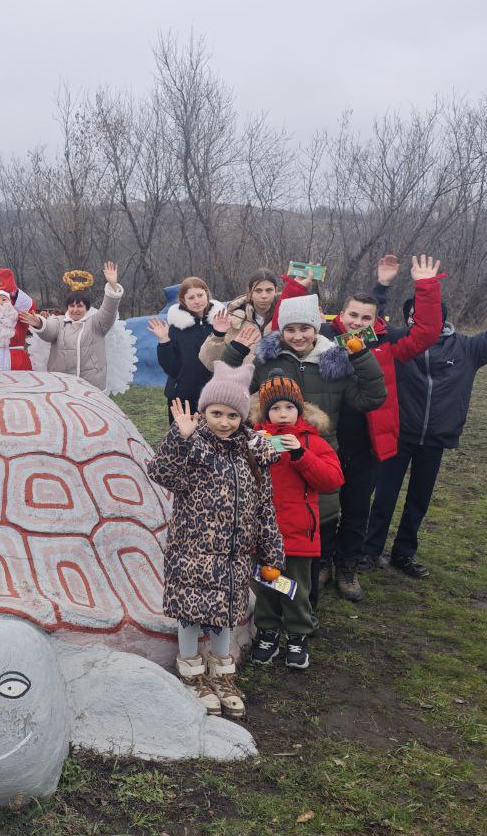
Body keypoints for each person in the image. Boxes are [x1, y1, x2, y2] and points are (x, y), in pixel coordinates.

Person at [272, 255, 444, 601]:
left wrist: (426, 287)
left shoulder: (386, 340)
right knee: (322, 506)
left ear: (376, 319)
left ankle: (348, 567)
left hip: (367, 442)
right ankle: (320, 562)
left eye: (366, 317)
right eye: (352, 315)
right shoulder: (323, 338)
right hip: (325, 439)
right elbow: (285, 323)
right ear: (342, 315)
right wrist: (296, 287)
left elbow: (426, 333)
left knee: (356, 507)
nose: (357, 322)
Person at [224, 292, 387, 619]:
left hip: (315, 461)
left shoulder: (336, 362)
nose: (298, 336)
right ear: (281, 331)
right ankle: (270, 614)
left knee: (313, 541)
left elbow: (371, 397)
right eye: (290, 329)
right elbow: (230, 386)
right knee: (269, 542)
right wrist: (235, 350)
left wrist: (361, 355)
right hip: (271, 465)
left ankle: (303, 613)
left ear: (317, 328)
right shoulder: (269, 361)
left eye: (305, 328)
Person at [146, 361, 286, 720]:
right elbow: (161, 471)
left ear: (243, 416)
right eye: (216, 413)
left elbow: (265, 508)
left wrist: (272, 555)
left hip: (234, 557)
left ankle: (223, 677)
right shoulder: (195, 448)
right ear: (204, 412)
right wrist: (180, 435)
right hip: (192, 552)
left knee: (225, 616)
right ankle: (192, 675)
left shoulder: (253, 455)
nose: (224, 422)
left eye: (232, 415)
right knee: (190, 617)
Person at [362, 269, 487, 579]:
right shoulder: (397, 342)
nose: (415, 320)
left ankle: (403, 555)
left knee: (418, 502)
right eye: (411, 315)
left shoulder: (466, 349)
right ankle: (369, 552)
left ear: (438, 317)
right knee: (383, 497)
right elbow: (372, 323)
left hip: (436, 439)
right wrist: (381, 286)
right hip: (399, 434)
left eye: (421, 315)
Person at [248, 372, 344, 670]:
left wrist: (300, 454)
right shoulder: (255, 439)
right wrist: (253, 452)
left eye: (289, 408)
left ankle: (298, 635)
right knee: (265, 586)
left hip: (299, 532)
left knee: (295, 588)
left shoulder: (312, 442)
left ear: (299, 410)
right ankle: (267, 632)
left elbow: (332, 480)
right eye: (275, 409)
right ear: (265, 412)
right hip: (263, 532)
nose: (282, 414)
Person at [20, 263, 123, 390]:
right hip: (62, 384)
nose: (75, 310)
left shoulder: (96, 323)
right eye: (72, 306)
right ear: (67, 307)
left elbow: (108, 310)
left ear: (87, 308)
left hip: (91, 384)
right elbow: (49, 330)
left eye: (80, 306)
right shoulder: (59, 322)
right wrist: (39, 323)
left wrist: (112, 287)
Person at [149, 277, 227, 422]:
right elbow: (171, 368)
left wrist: (219, 333)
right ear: (183, 300)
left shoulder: (220, 322)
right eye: (191, 297)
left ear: (207, 295)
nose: (197, 301)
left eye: (200, 295)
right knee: (184, 439)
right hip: (183, 396)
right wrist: (164, 340)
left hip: (215, 394)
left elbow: (227, 358)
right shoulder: (177, 328)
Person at [199, 269, 281, 369]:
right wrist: (218, 335)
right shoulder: (234, 319)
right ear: (249, 291)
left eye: (269, 290)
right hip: (242, 382)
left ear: (276, 290)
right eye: (258, 290)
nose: (264, 296)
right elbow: (211, 364)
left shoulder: (285, 316)